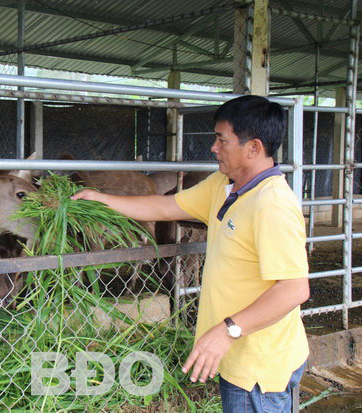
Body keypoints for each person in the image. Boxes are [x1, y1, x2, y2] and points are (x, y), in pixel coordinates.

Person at [71, 95, 309, 412]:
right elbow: (166, 206)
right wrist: (100, 199)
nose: (214, 147)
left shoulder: (272, 204)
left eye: (222, 140)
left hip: (258, 367)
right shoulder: (225, 185)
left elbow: (294, 289)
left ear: (252, 147)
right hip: (240, 355)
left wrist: (227, 331)